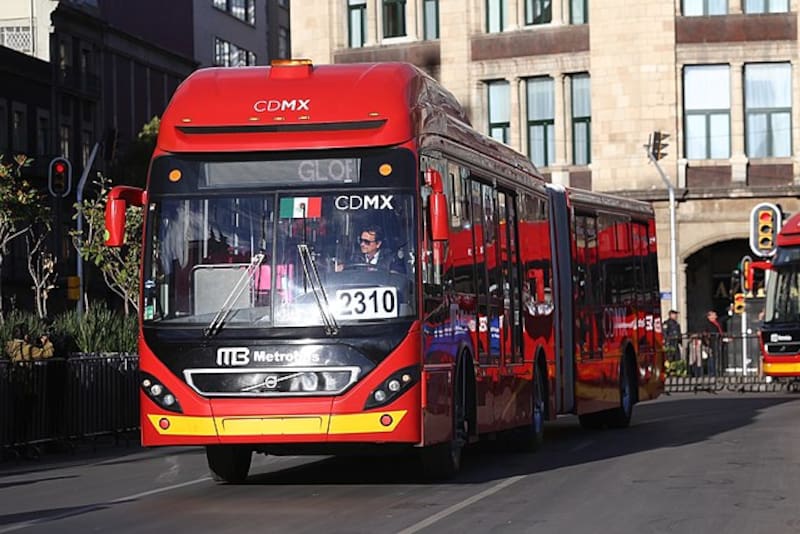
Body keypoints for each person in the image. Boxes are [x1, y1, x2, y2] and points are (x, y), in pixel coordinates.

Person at [337, 224, 404, 272]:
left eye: (367, 242)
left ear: (378, 244)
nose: (362, 244)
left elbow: (396, 277)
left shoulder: (391, 259)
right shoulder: (355, 257)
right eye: (361, 240)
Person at [702, 309, 724, 377]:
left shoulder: (717, 322)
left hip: (718, 342)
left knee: (718, 357)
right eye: (713, 315)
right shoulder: (707, 324)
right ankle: (712, 373)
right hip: (711, 343)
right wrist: (707, 341)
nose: (715, 316)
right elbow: (705, 333)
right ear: (709, 316)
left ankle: (718, 372)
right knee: (711, 358)